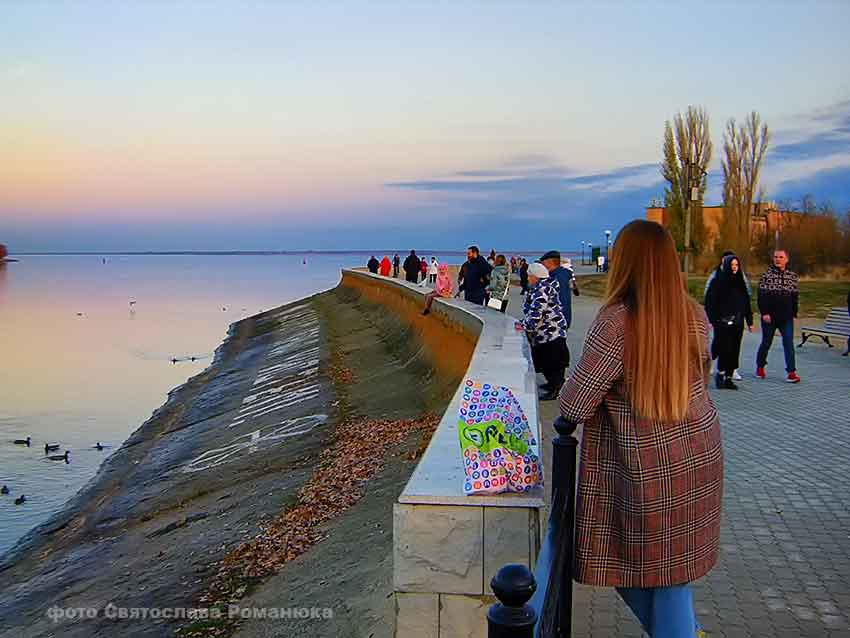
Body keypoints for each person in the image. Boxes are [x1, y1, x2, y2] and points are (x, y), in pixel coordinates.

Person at [558, 219, 722, 638]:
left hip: (647, 467)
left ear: (625, 262)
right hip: (698, 454)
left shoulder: (617, 322)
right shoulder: (695, 316)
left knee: (658, 577)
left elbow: (575, 403)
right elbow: (701, 379)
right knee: (666, 575)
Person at [704, 254, 753, 389]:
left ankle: (729, 377)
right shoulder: (718, 282)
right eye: (731, 265)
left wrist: (750, 321)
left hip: (738, 322)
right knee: (725, 348)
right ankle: (720, 374)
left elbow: (746, 303)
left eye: (736, 265)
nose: (734, 268)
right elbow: (710, 302)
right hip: (722, 321)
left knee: (734, 350)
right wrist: (712, 320)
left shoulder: (740, 283)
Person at [522, 263, 569, 400]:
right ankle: (553, 384)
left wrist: (525, 326)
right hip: (551, 331)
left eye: (529, 276)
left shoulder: (542, 289)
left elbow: (537, 312)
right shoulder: (545, 286)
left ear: (535, 276)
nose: (528, 279)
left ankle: (556, 389)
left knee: (552, 362)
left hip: (550, 332)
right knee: (550, 361)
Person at [755, 249, 800, 383]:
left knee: (788, 343)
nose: (777, 259)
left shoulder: (791, 276)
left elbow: (795, 295)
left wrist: (794, 311)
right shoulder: (767, 275)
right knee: (766, 342)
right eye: (775, 257)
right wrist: (764, 313)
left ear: (786, 259)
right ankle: (760, 366)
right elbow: (761, 296)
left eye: (780, 257)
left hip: (786, 317)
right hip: (770, 317)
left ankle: (791, 372)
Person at [540, 250, 573, 329]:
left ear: (549, 263)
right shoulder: (558, 275)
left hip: (557, 324)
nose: (542, 266)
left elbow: (562, 300)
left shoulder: (558, 278)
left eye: (543, 263)